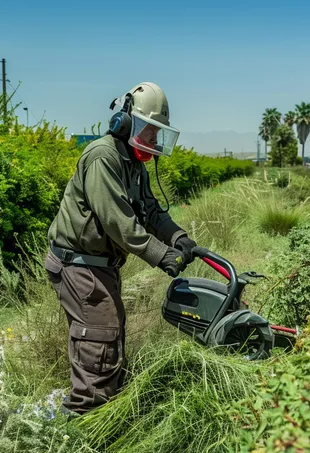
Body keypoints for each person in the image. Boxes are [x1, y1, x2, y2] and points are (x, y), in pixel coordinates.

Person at [44, 82, 197, 416]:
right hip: (79, 265)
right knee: (99, 338)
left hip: (100, 265)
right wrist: (161, 255)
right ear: (124, 122)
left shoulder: (133, 164)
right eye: (148, 131)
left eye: (157, 135)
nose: (152, 142)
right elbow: (118, 222)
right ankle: (81, 424)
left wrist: (179, 238)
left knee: (108, 337)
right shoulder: (103, 157)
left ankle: (103, 408)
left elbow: (151, 211)